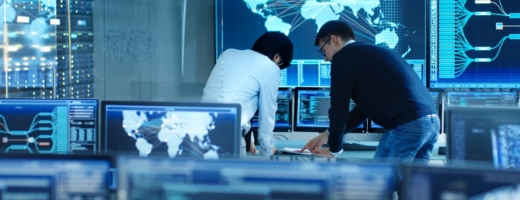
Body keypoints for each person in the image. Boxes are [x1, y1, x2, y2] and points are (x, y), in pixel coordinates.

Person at [300, 20, 439, 196]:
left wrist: (335, 149)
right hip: (430, 123)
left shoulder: (343, 57)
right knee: (412, 192)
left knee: (375, 188)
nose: (326, 58)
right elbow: (362, 110)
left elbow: (338, 107)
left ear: (334, 40)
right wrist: (328, 135)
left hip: (406, 125)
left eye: (323, 50)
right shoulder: (375, 52)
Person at [201, 31, 293, 158]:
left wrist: (250, 140)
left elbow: (239, 97)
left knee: (204, 177)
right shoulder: (270, 67)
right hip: (229, 138)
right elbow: (267, 112)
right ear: (276, 57)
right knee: (231, 178)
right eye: (281, 66)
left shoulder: (228, 54)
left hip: (200, 131)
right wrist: (268, 149)